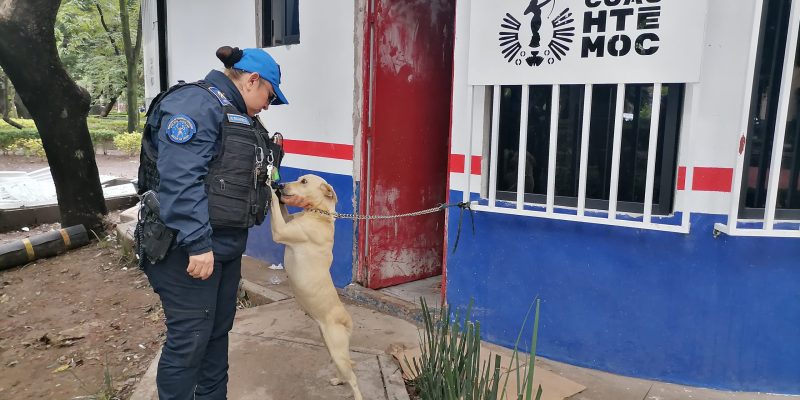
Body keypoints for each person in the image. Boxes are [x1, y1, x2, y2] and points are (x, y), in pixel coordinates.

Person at [135, 46, 288, 400]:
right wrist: (198, 244)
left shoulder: (238, 115)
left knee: (216, 335)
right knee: (189, 341)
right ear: (252, 80)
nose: (268, 106)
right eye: (269, 96)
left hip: (223, 248)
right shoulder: (196, 104)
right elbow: (180, 180)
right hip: (187, 250)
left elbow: (237, 176)